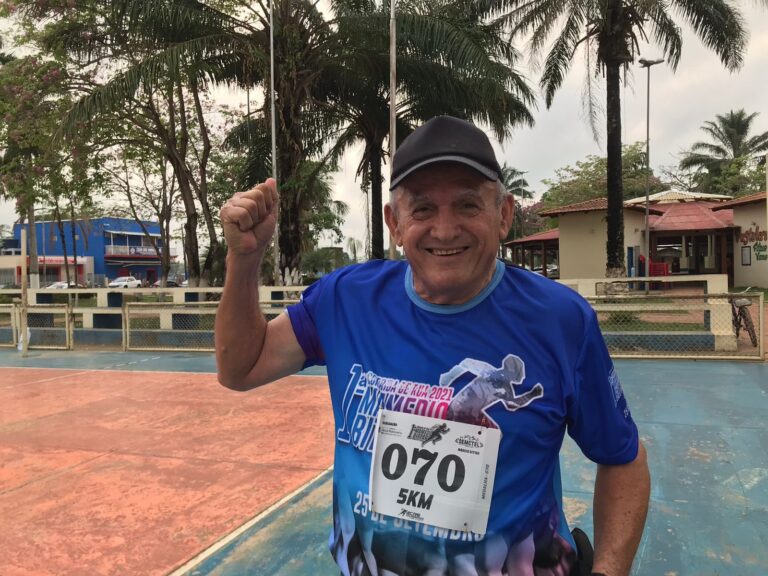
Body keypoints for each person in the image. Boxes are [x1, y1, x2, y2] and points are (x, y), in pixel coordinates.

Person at [215, 115, 650, 576]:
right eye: (422, 210)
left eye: (467, 205)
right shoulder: (345, 300)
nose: (444, 230)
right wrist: (245, 259)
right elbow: (241, 367)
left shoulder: (560, 320)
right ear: (395, 223)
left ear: (504, 216)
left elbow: (623, 459)